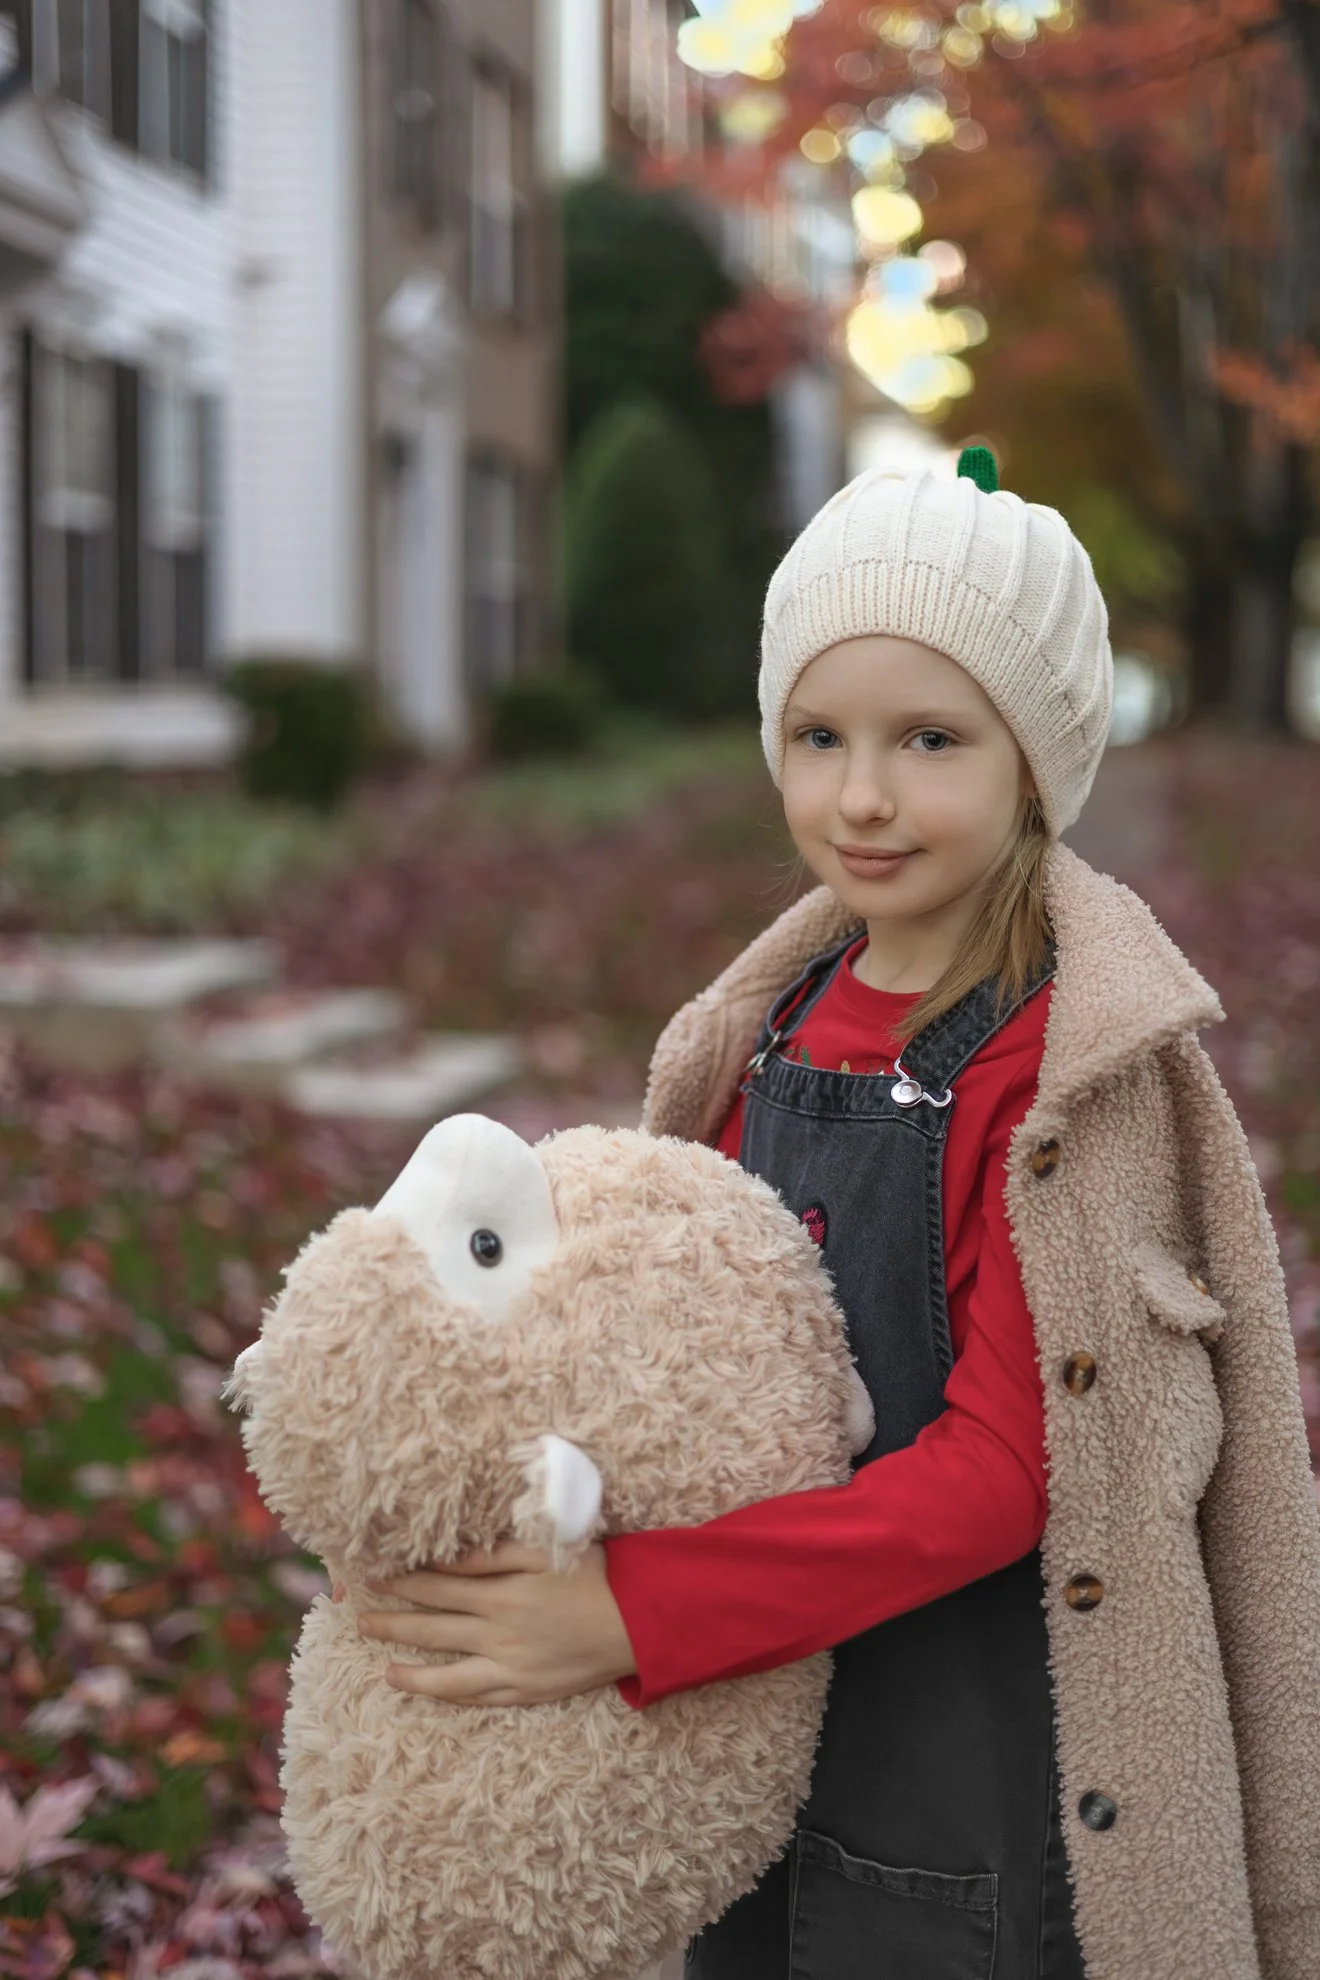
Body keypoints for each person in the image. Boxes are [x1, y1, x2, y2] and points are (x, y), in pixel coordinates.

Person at [350, 452, 1320, 1978]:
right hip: (756, 1743)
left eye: (929, 738)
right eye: (818, 735)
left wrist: (638, 1615)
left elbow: (1010, 1470)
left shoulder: (1057, 1074)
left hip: (967, 1786)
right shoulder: (768, 1026)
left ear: (1034, 761)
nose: (861, 795)